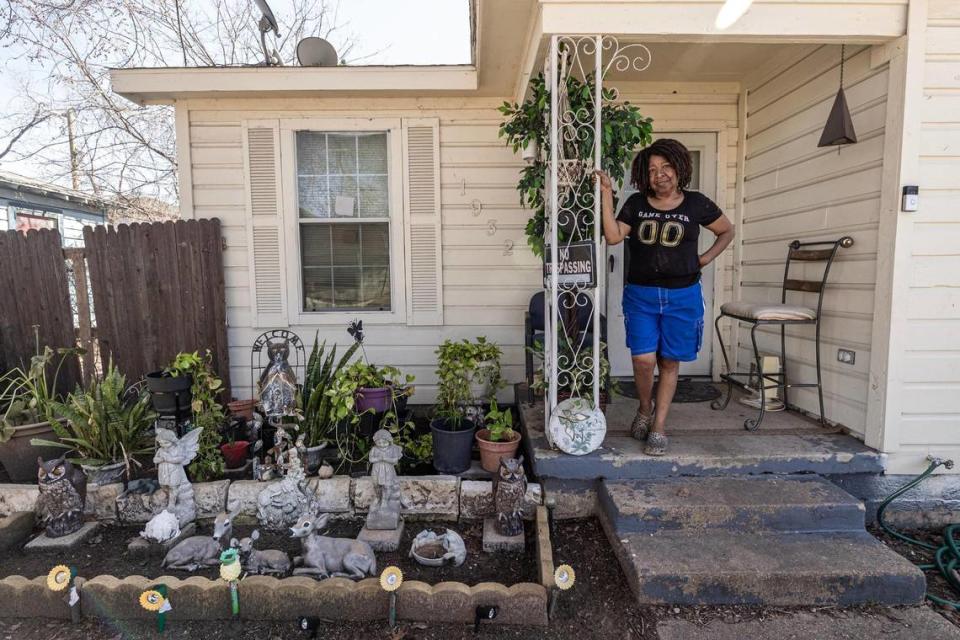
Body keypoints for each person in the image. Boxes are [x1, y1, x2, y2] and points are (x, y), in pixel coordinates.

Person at [596, 138, 734, 456]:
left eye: (666, 167)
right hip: (641, 295)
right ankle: (644, 408)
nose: (660, 174)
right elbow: (614, 237)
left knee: (669, 362)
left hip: (682, 295)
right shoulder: (636, 204)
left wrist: (704, 259)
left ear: (679, 168)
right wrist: (606, 195)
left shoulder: (697, 204)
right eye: (653, 169)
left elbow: (726, 230)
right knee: (644, 361)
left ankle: (658, 425)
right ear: (646, 176)